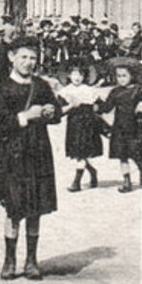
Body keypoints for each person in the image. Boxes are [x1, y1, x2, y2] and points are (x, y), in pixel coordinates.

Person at [0, 40, 62, 280]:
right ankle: (9, 260)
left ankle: (31, 260)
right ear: (12, 57)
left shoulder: (41, 85)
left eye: (32, 58)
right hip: (13, 155)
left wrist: (51, 111)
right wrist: (26, 116)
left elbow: (57, 113)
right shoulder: (4, 87)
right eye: (23, 57)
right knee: (14, 208)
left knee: (35, 209)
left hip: (39, 152)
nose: (28, 63)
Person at [98, 58, 142, 192]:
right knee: (122, 155)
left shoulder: (139, 90)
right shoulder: (115, 91)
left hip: (135, 126)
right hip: (119, 127)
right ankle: (127, 182)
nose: (121, 79)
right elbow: (107, 108)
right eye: (118, 76)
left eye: (124, 76)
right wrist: (97, 104)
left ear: (132, 76)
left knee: (135, 154)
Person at [56, 62, 105, 191]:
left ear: (84, 76)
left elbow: (101, 106)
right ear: (69, 75)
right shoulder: (65, 91)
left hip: (88, 125)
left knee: (82, 153)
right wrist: (71, 105)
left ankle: (76, 183)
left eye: (80, 75)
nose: (77, 77)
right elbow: (59, 111)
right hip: (74, 124)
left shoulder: (89, 90)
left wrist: (95, 107)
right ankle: (92, 171)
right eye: (74, 74)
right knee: (78, 154)